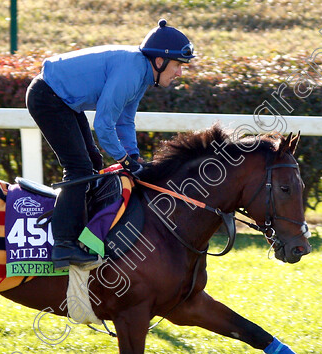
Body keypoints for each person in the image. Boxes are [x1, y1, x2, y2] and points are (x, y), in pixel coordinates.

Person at [25, 19, 195, 270]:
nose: (180, 73)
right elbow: (104, 125)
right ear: (159, 61)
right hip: (47, 97)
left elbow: (124, 121)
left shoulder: (142, 73)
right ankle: (63, 244)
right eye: (178, 65)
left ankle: (83, 231)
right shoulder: (132, 72)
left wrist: (133, 157)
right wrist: (123, 160)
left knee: (93, 162)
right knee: (79, 168)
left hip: (61, 99)